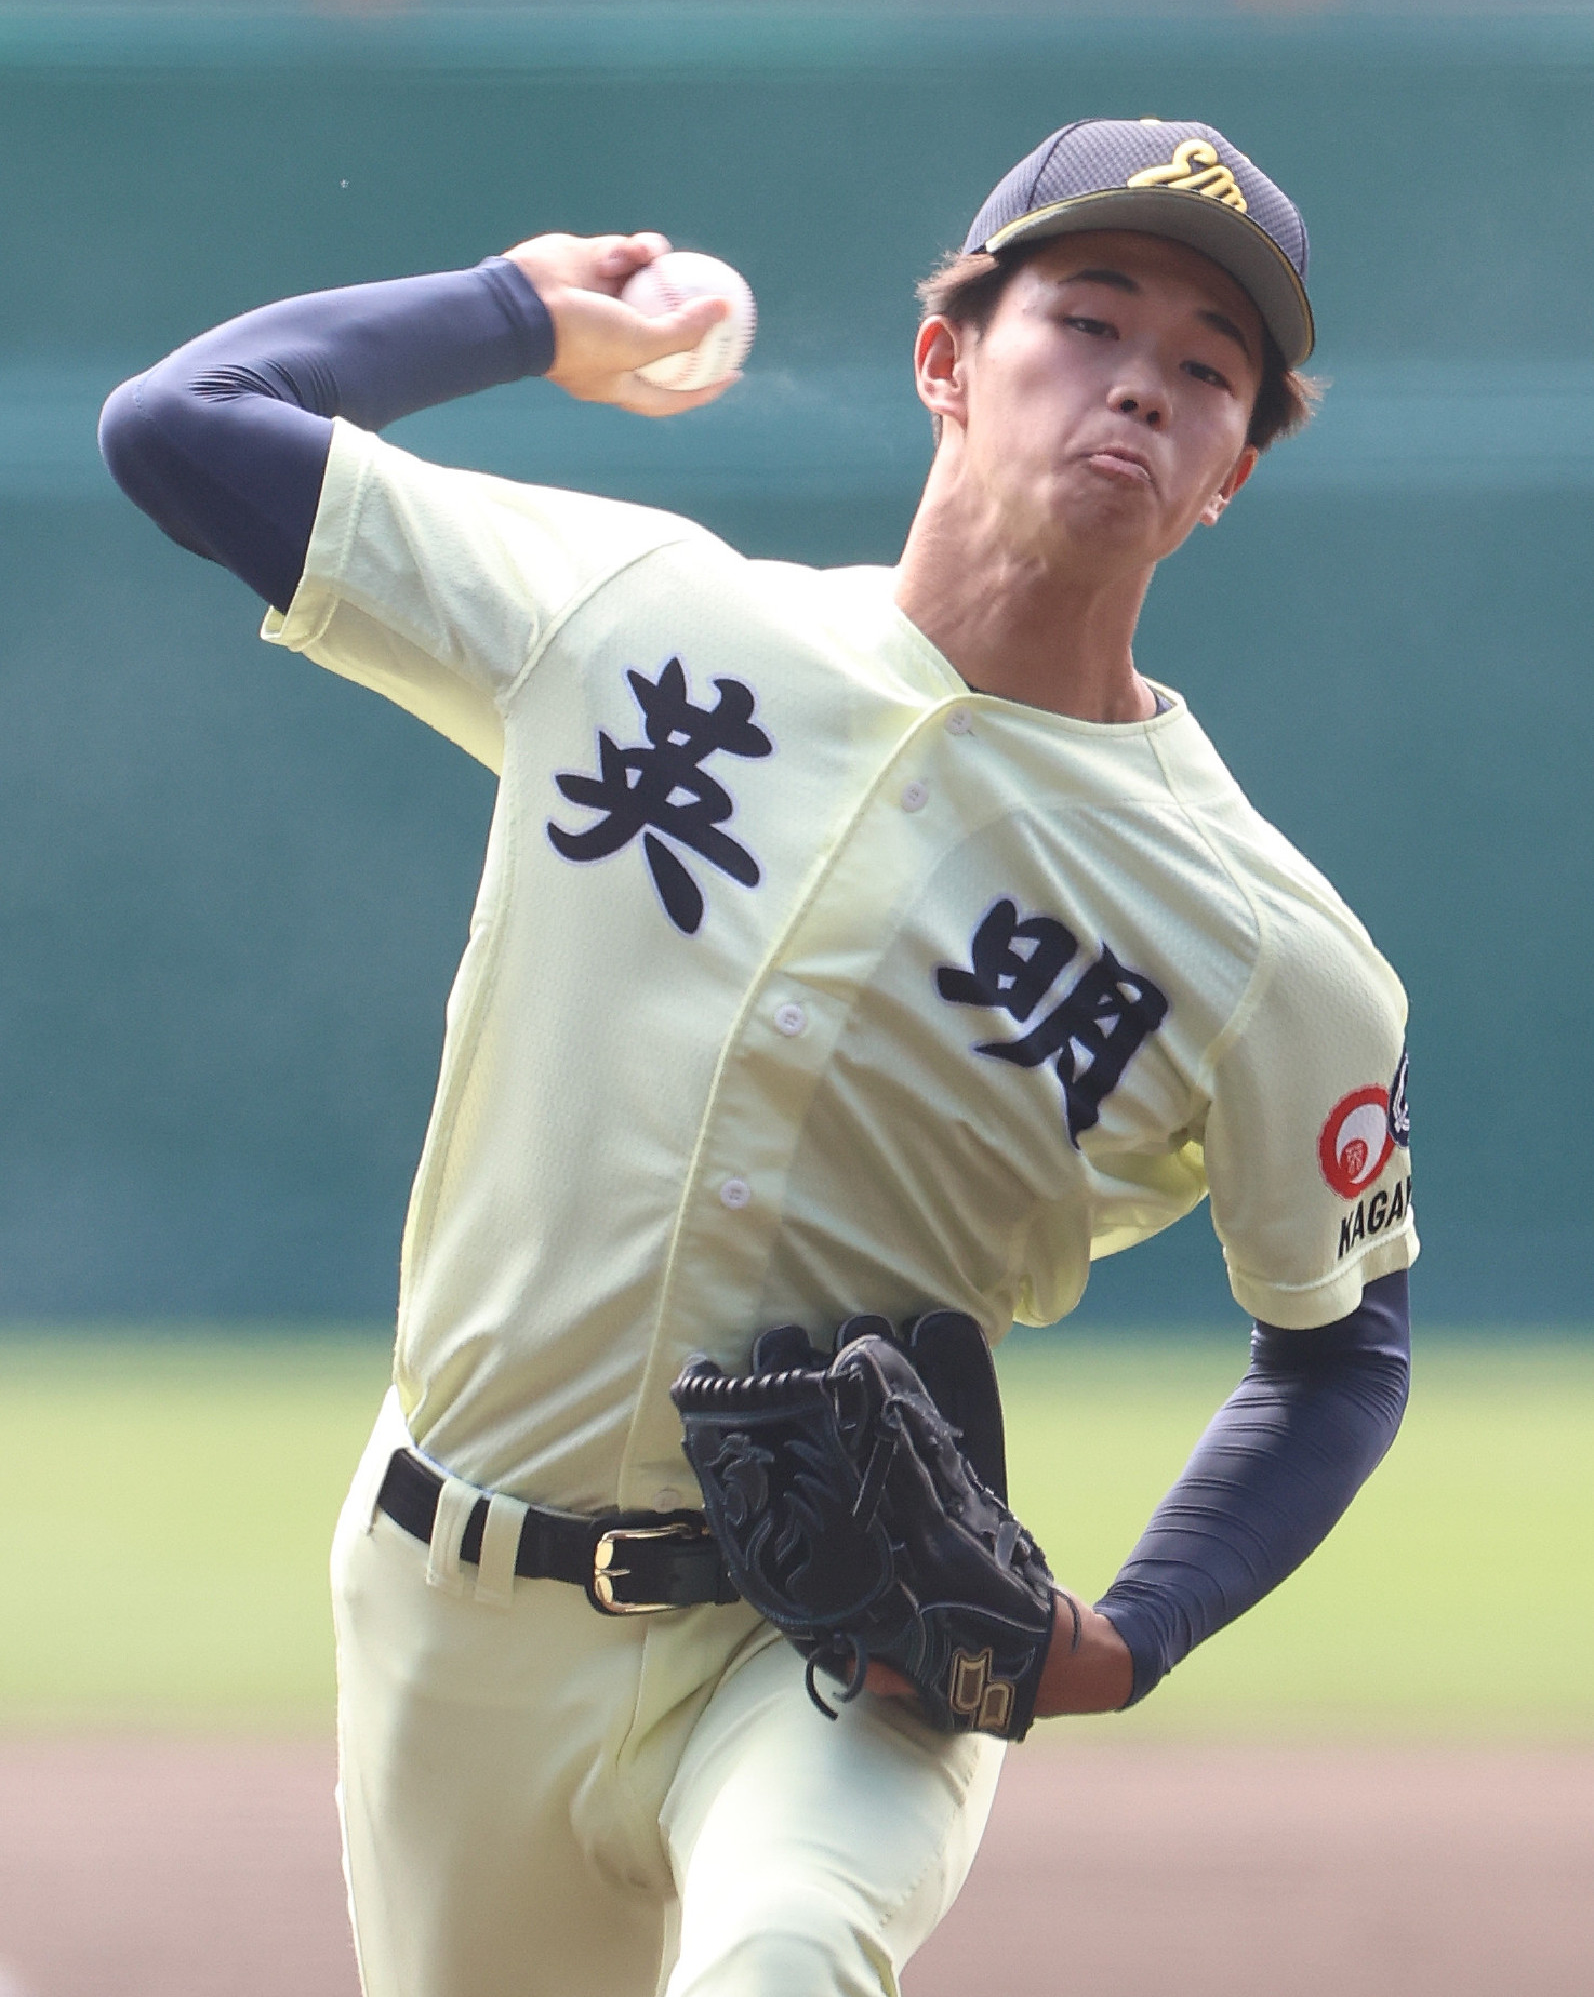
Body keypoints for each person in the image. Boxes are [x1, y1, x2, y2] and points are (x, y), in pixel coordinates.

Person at [100, 117, 1415, 1997]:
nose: (1140, 382)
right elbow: (181, 427)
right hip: (446, 1613)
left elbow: (1340, 1351)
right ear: (946, 361)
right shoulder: (636, 617)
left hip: (831, 1643)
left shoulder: (1264, 946)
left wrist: (1132, 1630)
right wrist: (512, 309)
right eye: (1086, 318)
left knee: (788, 1953)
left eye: (1208, 370)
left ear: (1230, 474)